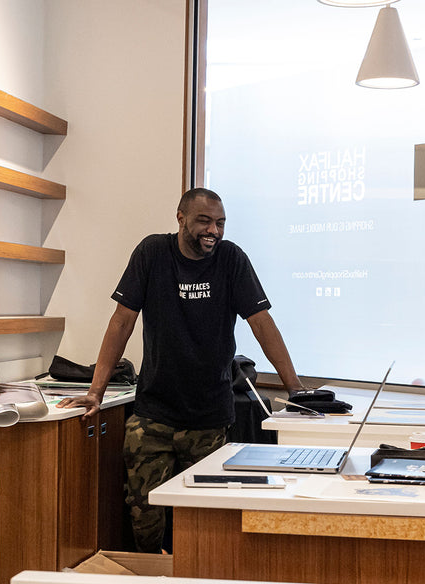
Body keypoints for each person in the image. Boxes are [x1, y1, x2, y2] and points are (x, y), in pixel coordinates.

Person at [58, 188, 304, 553]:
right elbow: (121, 322)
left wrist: (297, 391)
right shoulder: (153, 253)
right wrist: (95, 391)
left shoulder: (231, 259)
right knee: (143, 513)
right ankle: (152, 578)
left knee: (204, 519)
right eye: (205, 221)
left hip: (209, 417)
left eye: (220, 223)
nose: (214, 231)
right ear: (181, 218)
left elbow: (262, 323)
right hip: (153, 413)